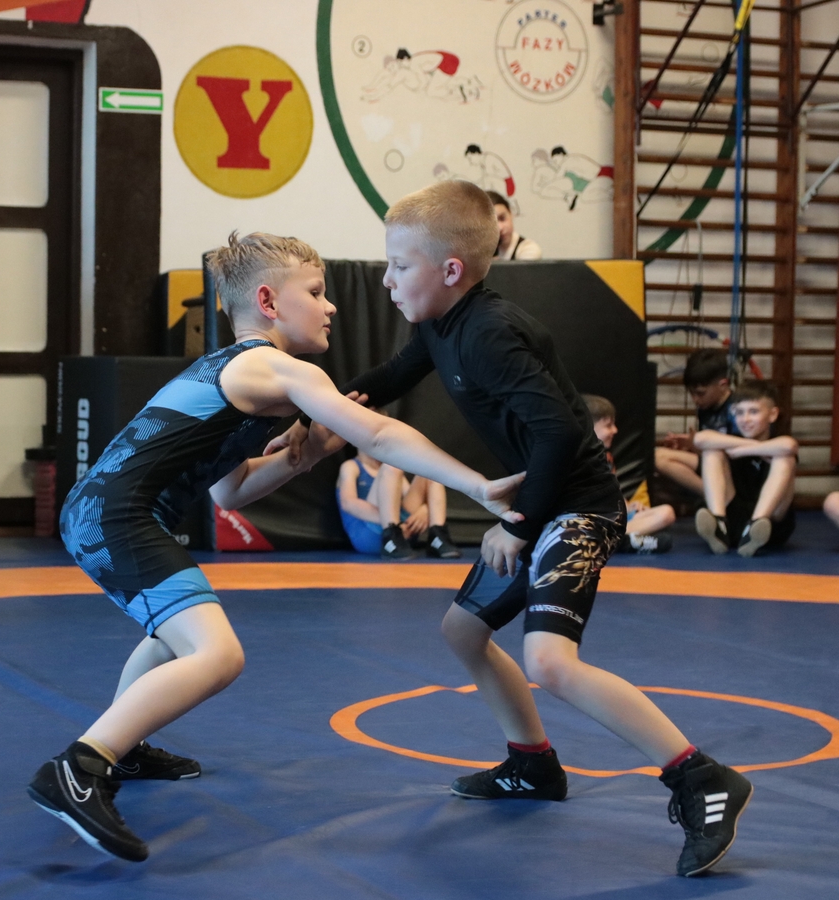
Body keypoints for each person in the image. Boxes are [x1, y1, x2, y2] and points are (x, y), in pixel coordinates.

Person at [271, 181, 751, 877]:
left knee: (551, 662)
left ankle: (702, 778)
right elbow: (390, 376)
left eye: (399, 266)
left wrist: (520, 526)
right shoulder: (439, 325)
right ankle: (532, 763)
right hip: (543, 504)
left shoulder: (490, 333)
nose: (386, 281)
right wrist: (317, 409)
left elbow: (560, 433)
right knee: (462, 630)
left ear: (451, 270)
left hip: (579, 509)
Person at [32, 232, 526, 862]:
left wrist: (307, 455)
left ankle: (120, 749)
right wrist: (478, 485)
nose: (331, 306)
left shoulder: (240, 375)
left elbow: (231, 491)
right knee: (217, 655)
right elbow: (378, 434)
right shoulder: (274, 368)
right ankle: (80, 767)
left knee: (170, 638)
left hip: (108, 513)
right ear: (268, 301)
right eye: (316, 293)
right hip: (117, 516)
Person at [693, 380, 797, 557]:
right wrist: (750, 445)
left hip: (771, 523)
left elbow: (789, 445)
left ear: (772, 414)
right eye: (740, 412)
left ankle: (755, 525)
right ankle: (719, 524)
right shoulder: (731, 439)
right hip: (734, 519)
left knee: (786, 458)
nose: (745, 419)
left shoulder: (778, 440)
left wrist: (745, 450)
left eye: (753, 412)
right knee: (712, 452)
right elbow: (700, 439)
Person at [583, 394, 674, 554]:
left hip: (611, 521)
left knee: (667, 513)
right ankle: (620, 540)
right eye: (608, 426)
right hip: (590, 522)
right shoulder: (580, 460)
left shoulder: (606, 457)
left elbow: (614, 493)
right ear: (589, 428)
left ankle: (616, 540)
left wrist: (629, 505)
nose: (615, 430)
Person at [337, 446, 460, 559]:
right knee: (390, 466)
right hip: (369, 536)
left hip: (402, 536)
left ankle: (438, 537)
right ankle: (391, 532)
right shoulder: (351, 467)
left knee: (430, 467)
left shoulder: (393, 471)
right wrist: (393, 523)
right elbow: (348, 503)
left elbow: (409, 501)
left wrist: (426, 510)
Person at [656, 348, 738, 500]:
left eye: (700, 393)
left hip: (735, 471)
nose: (695, 399)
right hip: (713, 465)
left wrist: (699, 445)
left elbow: (740, 454)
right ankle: (715, 497)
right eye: (691, 393)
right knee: (658, 456)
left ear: (723, 384)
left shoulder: (738, 409)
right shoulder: (705, 408)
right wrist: (690, 446)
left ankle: (722, 499)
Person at [486, 190, 541, 260]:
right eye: (492, 223)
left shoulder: (529, 249)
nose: (500, 228)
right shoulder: (480, 249)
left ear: (511, 214)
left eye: (502, 218)